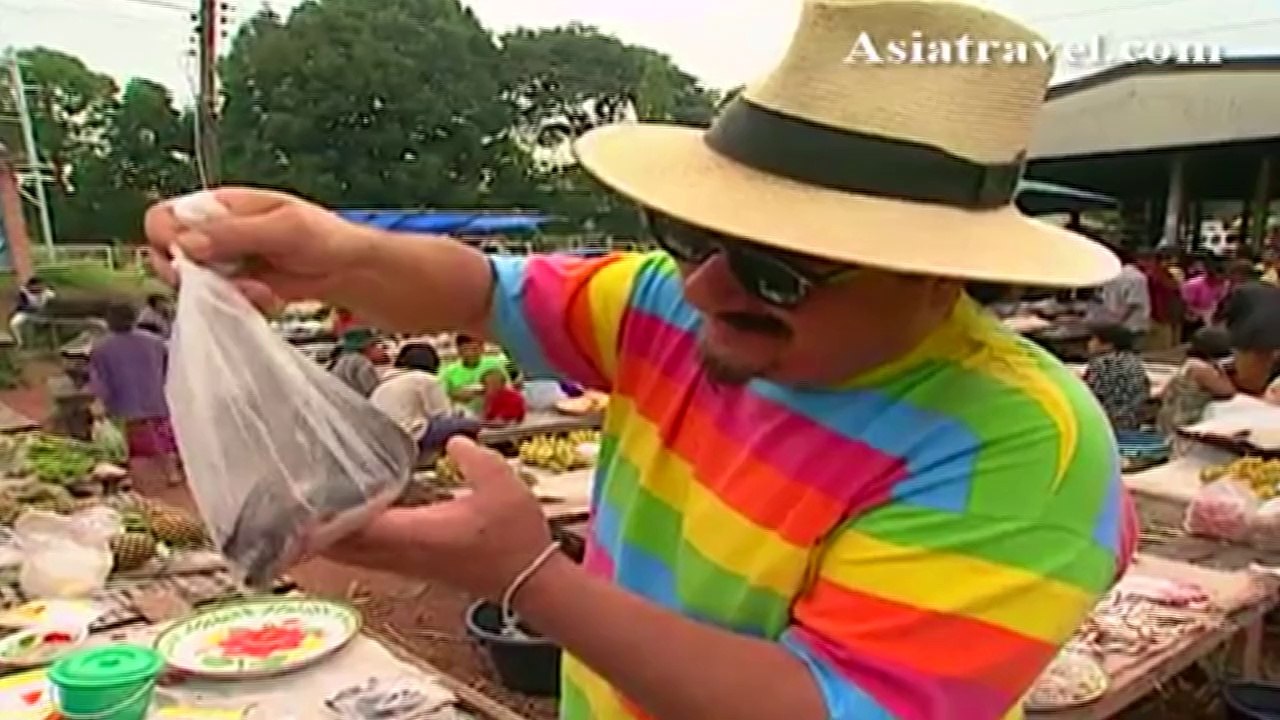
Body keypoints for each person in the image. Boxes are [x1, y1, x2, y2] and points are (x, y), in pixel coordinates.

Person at [145, 3, 1137, 716]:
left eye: (774, 270)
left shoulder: (1020, 450)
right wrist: (338, 253)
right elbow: (482, 292)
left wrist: (532, 576)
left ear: (936, 277)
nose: (703, 287)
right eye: (688, 236)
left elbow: (827, 706)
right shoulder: (671, 305)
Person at [88, 302, 181, 489]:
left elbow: (99, 379)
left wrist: (98, 401)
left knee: (123, 444)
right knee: (162, 438)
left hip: (122, 402)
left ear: (108, 322)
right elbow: (168, 369)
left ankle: (127, 476)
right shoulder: (155, 342)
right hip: (154, 398)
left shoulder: (101, 348)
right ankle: (172, 473)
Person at [370, 342, 480, 455]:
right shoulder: (426, 378)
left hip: (383, 438)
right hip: (410, 435)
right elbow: (443, 414)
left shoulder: (385, 381)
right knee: (470, 424)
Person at [1217, 261, 1280, 395]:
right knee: (1262, 371)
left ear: (1237, 275)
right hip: (1275, 335)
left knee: (1247, 379)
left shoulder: (1241, 290)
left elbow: (1230, 314)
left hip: (1251, 334)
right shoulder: (1273, 289)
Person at [1157, 327, 1235, 434]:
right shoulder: (1201, 368)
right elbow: (1228, 391)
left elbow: (1164, 391)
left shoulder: (1192, 363)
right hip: (1184, 421)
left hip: (1175, 417)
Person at [1082, 323, 1151, 431]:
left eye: (1093, 340)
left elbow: (1089, 395)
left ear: (1108, 345)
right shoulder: (1133, 360)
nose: (1089, 344)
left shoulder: (1103, 363)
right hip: (1133, 420)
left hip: (1108, 422)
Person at [1086, 245, 1150, 340]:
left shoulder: (1112, 275)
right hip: (1130, 325)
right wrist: (1118, 321)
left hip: (1116, 323)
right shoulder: (1137, 277)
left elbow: (1131, 303)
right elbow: (1133, 303)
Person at [439, 334, 508, 412]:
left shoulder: (494, 363)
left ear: (482, 348)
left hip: (496, 412)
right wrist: (456, 395)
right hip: (465, 414)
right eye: (465, 350)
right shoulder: (449, 371)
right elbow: (442, 396)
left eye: (474, 349)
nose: (470, 354)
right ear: (458, 351)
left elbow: (507, 388)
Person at [1136, 248, 1182, 349]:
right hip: (1156, 316)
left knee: (1165, 347)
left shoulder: (1163, 273)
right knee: (1158, 349)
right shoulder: (1151, 275)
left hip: (1165, 316)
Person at [1181, 258, 1229, 336]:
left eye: (1222, 279)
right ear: (1209, 275)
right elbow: (1186, 302)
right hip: (1192, 314)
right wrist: (1194, 315)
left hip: (1209, 313)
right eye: (1217, 279)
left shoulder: (1223, 283)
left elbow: (1218, 299)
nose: (1220, 281)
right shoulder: (1193, 284)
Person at [327, 327, 381, 397]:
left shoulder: (341, 359)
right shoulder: (361, 361)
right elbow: (373, 390)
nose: (377, 348)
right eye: (373, 345)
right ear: (365, 345)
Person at [9, 276, 55, 347]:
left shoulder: (45, 292)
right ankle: (20, 342)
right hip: (25, 313)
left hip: (39, 314)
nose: (36, 288)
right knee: (13, 323)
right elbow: (21, 303)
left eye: (38, 286)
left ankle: (42, 341)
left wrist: (50, 288)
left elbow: (53, 296)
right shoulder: (24, 291)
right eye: (34, 286)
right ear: (30, 286)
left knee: (43, 324)